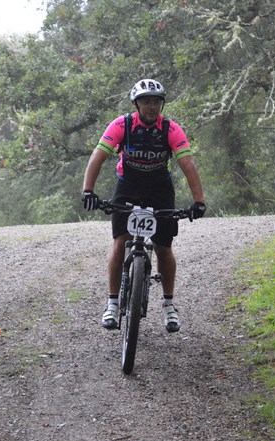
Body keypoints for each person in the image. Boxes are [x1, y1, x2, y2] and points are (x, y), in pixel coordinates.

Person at [81, 78, 206, 333]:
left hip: (160, 189)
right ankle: (113, 303)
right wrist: (88, 190)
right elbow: (98, 156)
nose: (151, 107)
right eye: (146, 102)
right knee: (120, 243)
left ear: (162, 105)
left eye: (156, 102)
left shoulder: (171, 129)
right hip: (128, 186)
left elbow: (188, 165)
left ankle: (169, 304)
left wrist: (198, 201)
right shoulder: (122, 125)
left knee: (163, 247)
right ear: (136, 104)